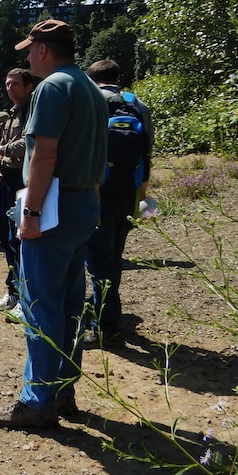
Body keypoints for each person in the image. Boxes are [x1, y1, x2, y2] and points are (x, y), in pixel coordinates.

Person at [0, 19, 107, 430]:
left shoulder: (53, 87)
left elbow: (43, 156)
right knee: (72, 305)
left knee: (40, 305)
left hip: (54, 208)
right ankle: (62, 391)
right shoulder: (90, 87)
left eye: (29, 50)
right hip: (84, 205)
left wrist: (32, 215)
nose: (27, 57)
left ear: (42, 49)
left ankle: (38, 401)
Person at [83, 59, 154, 349]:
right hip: (129, 192)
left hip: (97, 192)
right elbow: (147, 153)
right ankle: (104, 312)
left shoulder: (92, 101)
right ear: (118, 78)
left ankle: (106, 327)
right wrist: (143, 197)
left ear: (91, 79)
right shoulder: (137, 105)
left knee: (98, 261)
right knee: (113, 257)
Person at [0, 69, 38, 311]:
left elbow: (29, 142)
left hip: (23, 181)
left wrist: (0, 152)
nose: (10, 88)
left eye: (15, 84)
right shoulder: (11, 114)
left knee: (22, 239)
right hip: (7, 180)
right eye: (7, 84)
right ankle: (13, 291)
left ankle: (26, 297)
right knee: (7, 237)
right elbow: (0, 149)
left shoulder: (33, 110)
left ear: (29, 86)